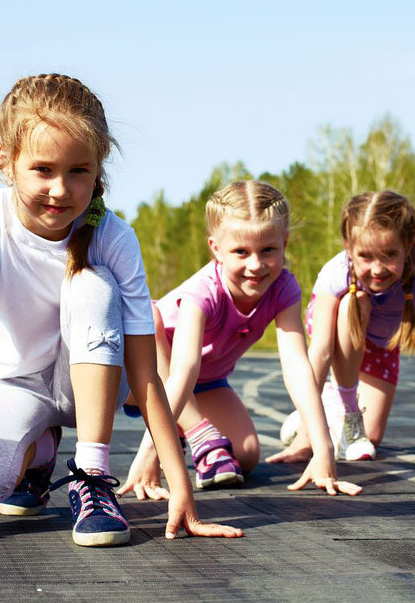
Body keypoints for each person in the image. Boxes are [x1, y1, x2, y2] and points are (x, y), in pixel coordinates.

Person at [0, 73, 240, 547]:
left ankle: (92, 477)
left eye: (78, 170)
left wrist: (180, 483)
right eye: (42, 169)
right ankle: (39, 453)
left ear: (99, 169)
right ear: (6, 161)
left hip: (95, 387)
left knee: (91, 286)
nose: (60, 190)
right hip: (19, 384)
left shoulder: (114, 237)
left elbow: (145, 371)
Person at [120, 180, 361, 500]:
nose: (255, 265)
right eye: (240, 252)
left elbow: (297, 366)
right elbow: (183, 371)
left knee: (245, 455)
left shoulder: (284, 288)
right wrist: (152, 451)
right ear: (216, 249)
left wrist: (323, 447)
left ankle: (186, 430)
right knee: (149, 319)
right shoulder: (203, 291)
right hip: (142, 377)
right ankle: (192, 432)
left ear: (285, 242)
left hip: (204, 383)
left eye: (268, 251)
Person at [283, 190, 415, 464]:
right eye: (366, 256)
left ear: (409, 244)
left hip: (380, 345)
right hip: (335, 332)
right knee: (356, 302)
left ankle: (332, 409)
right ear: (348, 247)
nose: (377, 269)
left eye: (389, 255)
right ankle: (340, 413)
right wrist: (307, 436)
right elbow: (320, 352)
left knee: (372, 438)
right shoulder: (335, 272)